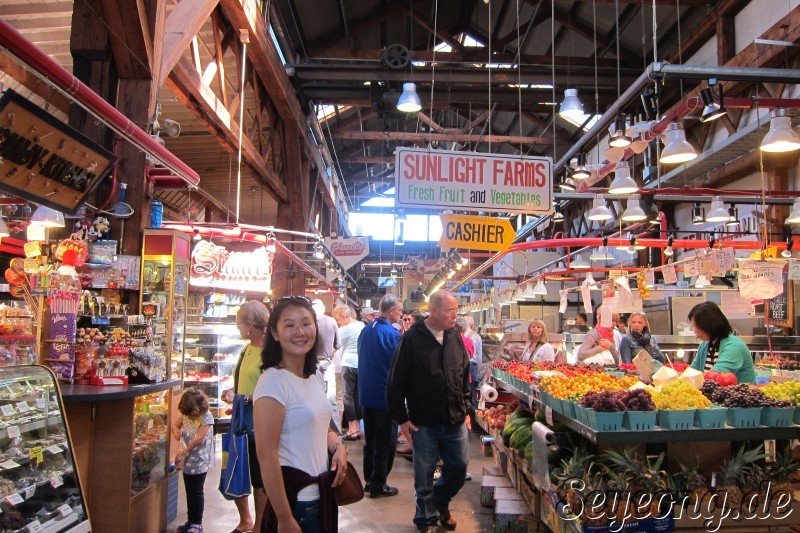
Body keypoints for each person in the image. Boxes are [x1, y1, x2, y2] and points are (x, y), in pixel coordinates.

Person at [254, 296, 348, 533]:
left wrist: (338, 446)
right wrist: (284, 517)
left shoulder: (313, 375)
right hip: (298, 505)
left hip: (323, 497)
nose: (300, 331)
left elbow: (320, 425)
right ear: (275, 333)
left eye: (306, 323)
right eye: (289, 325)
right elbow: (266, 455)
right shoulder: (273, 382)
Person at [387, 290, 470, 533]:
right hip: (424, 422)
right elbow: (395, 381)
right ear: (433, 311)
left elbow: (463, 374)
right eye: (449, 310)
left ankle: (439, 502)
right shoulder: (412, 339)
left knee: (458, 469)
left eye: (456, 310)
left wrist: (466, 408)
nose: (455, 315)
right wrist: (400, 417)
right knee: (423, 476)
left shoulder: (454, 336)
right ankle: (425, 520)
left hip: (454, 419)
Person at [221, 300, 269, 533]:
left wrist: (247, 398)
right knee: (236, 466)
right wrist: (233, 392)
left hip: (259, 421)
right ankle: (246, 519)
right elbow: (243, 379)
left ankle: (259, 522)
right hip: (240, 418)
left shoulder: (269, 354)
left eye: (240, 323)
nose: (238, 327)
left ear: (251, 325)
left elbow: (271, 388)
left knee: (259, 474)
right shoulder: (247, 349)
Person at [357, 294, 402, 498]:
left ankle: (369, 480)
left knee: (371, 440)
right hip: (384, 396)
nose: (401, 315)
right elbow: (399, 365)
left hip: (367, 393)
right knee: (386, 441)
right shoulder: (391, 334)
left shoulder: (366, 330)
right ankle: (379, 484)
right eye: (400, 310)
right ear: (391, 310)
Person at [172, 388, 214, 533]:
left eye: (192, 413)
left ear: (200, 407)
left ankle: (197, 523)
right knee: (189, 490)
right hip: (188, 459)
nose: (189, 416)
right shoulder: (186, 415)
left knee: (196, 490)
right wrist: (175, 430)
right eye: (187, 414)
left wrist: (182, 452)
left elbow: (199, 438)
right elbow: (176, 424)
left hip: (200, 459)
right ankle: (191, 521)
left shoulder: (206, 417)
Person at [688, 301, 755, 384]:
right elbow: (693, 372)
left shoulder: (734, 347)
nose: (694, 331)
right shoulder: (705, 345)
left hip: (739, 395)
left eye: (697, 326)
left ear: (710, 325)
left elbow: (715, 376)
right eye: (693, 326)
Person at [332, 304, 364, 440]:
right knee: (357, 397)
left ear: (344, 317)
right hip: (361, 364)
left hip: (348, 364)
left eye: (339, 319)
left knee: (347, 397)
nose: (339, 322)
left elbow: (334, 346)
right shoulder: (361, 325)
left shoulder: (345, 329)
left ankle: (352, 429)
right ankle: (357, 428)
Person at [312, 299, 342, 431]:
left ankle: (318, 431)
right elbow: (337, 345)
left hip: (310, 365)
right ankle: (336, 433)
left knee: (312, 398)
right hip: (327, 364)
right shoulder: (331, 321)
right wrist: (329, 355)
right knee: (330, 399)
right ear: (323, 308)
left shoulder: (309, 322)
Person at [464, 316, 483, 412]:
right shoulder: (477, 336)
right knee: (473, 390)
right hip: (472, 366)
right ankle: (473, 413)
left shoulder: (457, 336)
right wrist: (478, 370)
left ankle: (465, 411)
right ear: (472, 325)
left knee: (464, 390)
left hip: (462, 366)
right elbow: (479, 357)